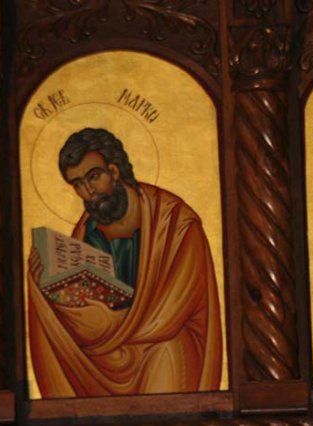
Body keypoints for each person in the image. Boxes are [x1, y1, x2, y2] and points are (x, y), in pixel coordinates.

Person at [27, 128, 222, 397]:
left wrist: (109, 322)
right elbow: (81, 307)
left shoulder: (176, 223)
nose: (88, 191)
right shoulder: (86, 231)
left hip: (158, 344)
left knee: (168, 348)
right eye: (78, 184)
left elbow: (172, 312)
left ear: (114, 170)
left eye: (93, 177)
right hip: (106, 353)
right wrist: (46, 286)